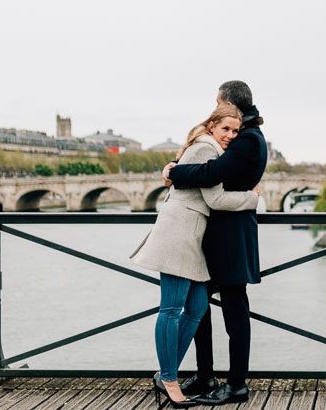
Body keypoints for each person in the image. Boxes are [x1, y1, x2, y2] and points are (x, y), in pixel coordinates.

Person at [130, 104, 260, 408]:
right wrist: (253, 197)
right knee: (172, 308)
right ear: (212, 125)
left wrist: (170, 170)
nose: (230, 135)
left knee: (197, 306)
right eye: (225, 129)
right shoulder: (206, 148)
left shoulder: (209, 147)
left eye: (235, 131)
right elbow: (215, 198)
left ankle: (166, 372)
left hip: (192, 235)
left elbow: (177, 175)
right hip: (180, 232)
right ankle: (170, 380)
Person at [162, 80, 267, 406]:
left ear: (227, 104)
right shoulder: (247, 136)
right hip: (221, 237)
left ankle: (236, 384)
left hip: (232, 236)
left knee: (234, 312)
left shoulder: (247, 140)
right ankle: (205, 373)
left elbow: (212, 173)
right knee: (200, 307)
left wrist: (174, 172)